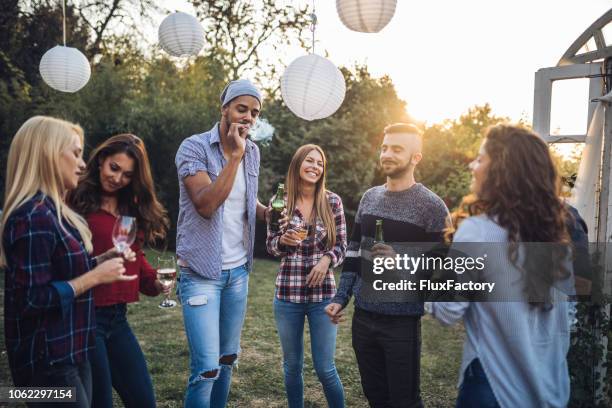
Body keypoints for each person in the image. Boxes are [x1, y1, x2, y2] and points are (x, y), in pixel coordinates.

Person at [429, 124, 573, 408]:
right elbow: (567, 321)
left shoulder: (477, 232)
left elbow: (447, 310)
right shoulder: (556, 238)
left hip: (493, 390)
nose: (472, 165)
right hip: (550, 392)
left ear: (501, 171)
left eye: (481, 158)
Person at [1, 116, 135, 407]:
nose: (83, 164)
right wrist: (95, 277)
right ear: (48, 153)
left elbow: (58, 272)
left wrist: (101, 260)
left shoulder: (52, 211)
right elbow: (31, 300)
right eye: (75, 153)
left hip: (72, 352)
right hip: (48, 365)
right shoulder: (32, 215)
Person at [325, 123, 449, 408]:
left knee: (404, 401)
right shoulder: (370, 198)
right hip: (363, 318)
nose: (387, 154)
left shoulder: (432, 207)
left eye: (396, 149)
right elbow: (354, 253)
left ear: (415, 157)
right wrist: (341, 298)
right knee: (375, 397)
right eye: (384, 148)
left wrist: (402, 262)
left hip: (401, 323)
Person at [175, 79, 271, 407]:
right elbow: (206, 204)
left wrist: (269, 215)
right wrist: (233, 158)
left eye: (254, 112)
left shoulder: (253, 152)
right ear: (225, 109)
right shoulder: (194, 148)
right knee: (206, 368)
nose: (247, 117)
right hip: (201, 272)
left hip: (237, 274)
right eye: (241, 109)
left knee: (227, 359)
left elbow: (244, 201)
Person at [67, 133, 171, 408]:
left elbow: (133, 255)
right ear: (101, 159)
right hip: (85, 316)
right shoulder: (75, 199)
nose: (117, 178)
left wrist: (154, 283)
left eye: (127, 175)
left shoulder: (129, 206)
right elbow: (63, 260)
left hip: (117, 319)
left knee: (144, 401)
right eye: (114, 168)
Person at [266, 144, 347, 408]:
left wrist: (327, 260)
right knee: (292, 366)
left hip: (323, 296)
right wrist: (285, 241)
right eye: (309, 161)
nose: (314, 167)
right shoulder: (280, 201)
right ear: (298, 164)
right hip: (288, 295)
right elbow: (271, 245)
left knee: (325, 368)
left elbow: (343, 245)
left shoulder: (332, 201)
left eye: (320, 163)